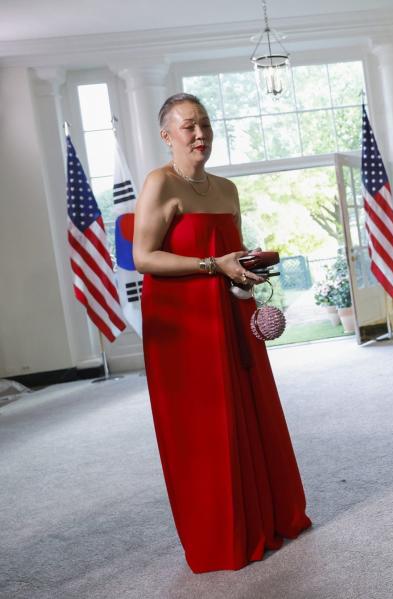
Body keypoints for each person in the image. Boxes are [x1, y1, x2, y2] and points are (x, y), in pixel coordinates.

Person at [134, 93, 311, 573]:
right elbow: (143, 257)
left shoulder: (227, 189)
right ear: (167, 135)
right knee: (205, 427)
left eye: (205, 125)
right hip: (182, 325)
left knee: (248, 409)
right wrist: (214, 264)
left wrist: (247, 265)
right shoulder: (159, 183)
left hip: (231, 314)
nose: (200, 134)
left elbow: (227, 253)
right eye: (188, 126)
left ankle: (268, 515)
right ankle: (221, 534)